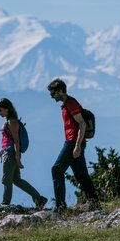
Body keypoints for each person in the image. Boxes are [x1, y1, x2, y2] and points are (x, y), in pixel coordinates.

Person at [47, 78, 100, 211]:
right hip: (75, 142)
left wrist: (77, 146)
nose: (51, 96)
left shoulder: (70, 103)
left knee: (56, 170)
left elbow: (81, 123)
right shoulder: (67, 104)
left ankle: (60, 206)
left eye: (53, 93)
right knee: (81, 174)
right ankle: (94, 202)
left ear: (60, 91)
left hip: (73, 143)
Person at [0, 98, 48, 209]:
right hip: (8, 152)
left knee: (6, 179)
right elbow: (6, 142)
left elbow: (16, 141)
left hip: (11, 154)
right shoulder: (7, 121)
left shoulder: (12, 121)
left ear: (7, 109)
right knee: (16, 180)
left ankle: (5, 203)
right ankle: (39, 199)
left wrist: (18, 159)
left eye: (0, 110)